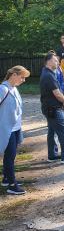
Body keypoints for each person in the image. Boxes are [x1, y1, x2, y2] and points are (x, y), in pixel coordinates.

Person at [40, 52, 64, 164]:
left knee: (52, 131)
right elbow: (56, 93)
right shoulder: (48, 75)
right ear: (49, 61)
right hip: (53, 108)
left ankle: (52, 155)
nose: (57, 62)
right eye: (55, 60)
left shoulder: (46, 72)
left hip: (49, 108)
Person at [0, 66, 30, 195]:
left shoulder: (14, 88)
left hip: (16, 128)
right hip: (7, 129)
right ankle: (12, 185)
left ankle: (6, 178)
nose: (24, 80)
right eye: (22, 77)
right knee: (9, 157)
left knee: (10, 156)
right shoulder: (3, 89)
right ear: (13, 74)